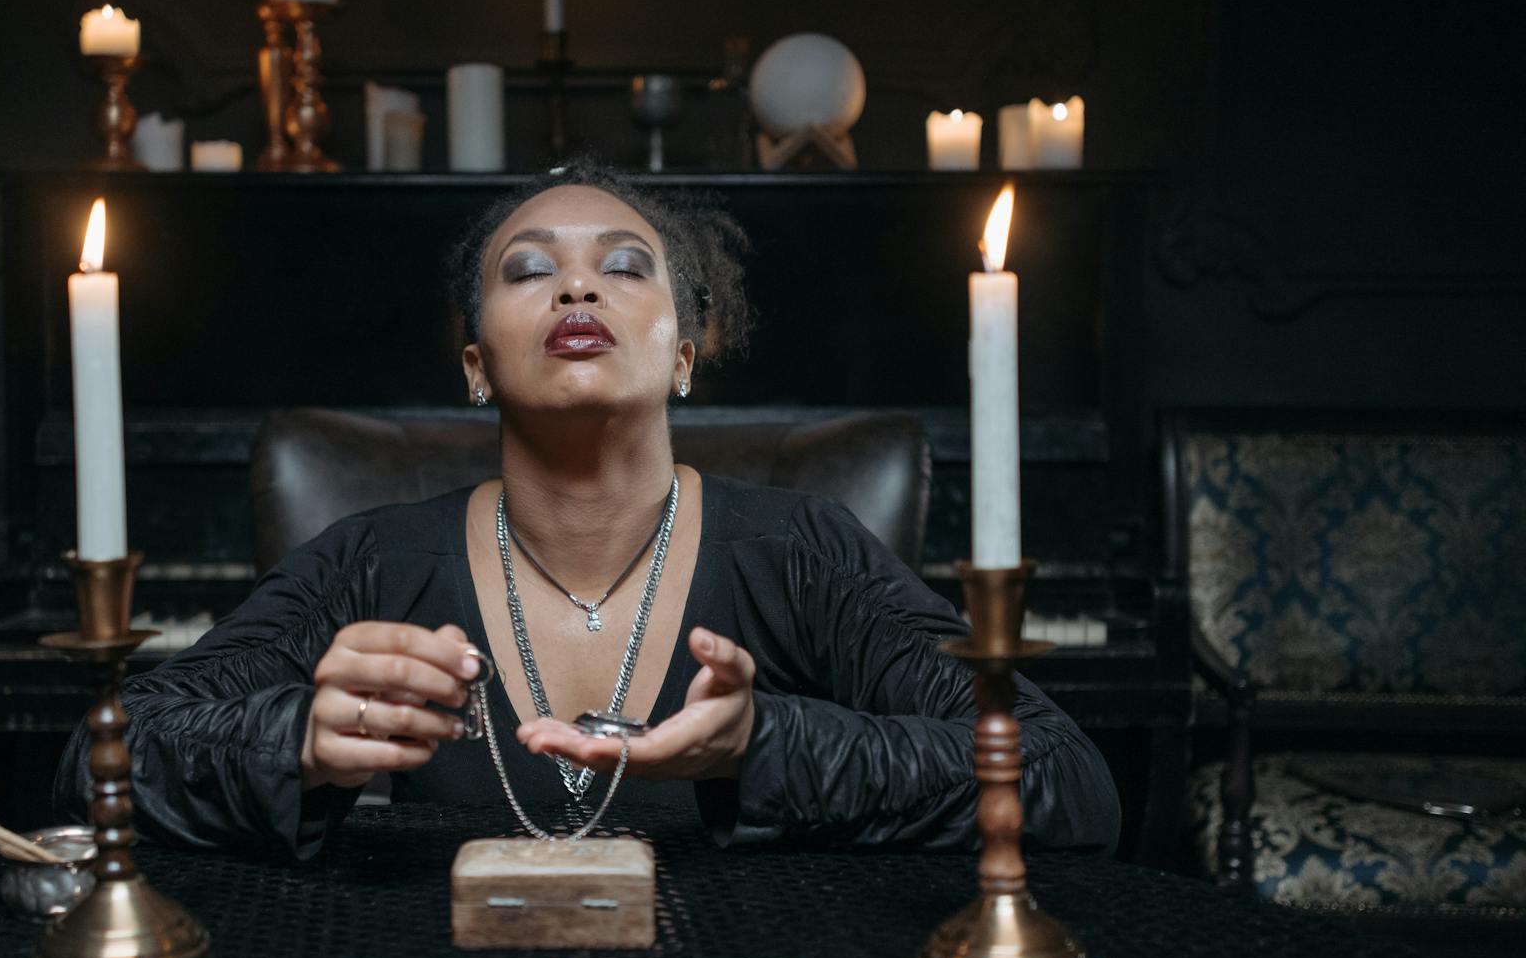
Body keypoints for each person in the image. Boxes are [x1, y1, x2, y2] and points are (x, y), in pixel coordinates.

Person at [56, 162, 1120, 857]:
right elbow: (98, 759)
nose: (576, 291)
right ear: (476, 368)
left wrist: (768, 741)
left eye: (623, 267)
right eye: (529, 272)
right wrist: (292, 740)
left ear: (687, 353)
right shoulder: (364, 566)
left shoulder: (803, 555)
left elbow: (1067, 781)